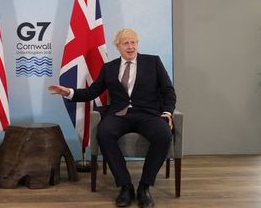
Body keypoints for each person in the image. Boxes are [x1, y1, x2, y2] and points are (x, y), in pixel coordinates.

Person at [48, 29, 176, 208]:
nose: (131, 47)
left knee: (163, 135)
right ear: (118, 46)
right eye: (126, 43)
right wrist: (68, 92)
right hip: (119, 114)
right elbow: (92, 92)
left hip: (147, 114)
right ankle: (125, 186)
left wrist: (168, 112)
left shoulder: (153, 62)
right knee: (104, 133)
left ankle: (144, 187)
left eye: (133, 42)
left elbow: (168, 90)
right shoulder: (109, 68)